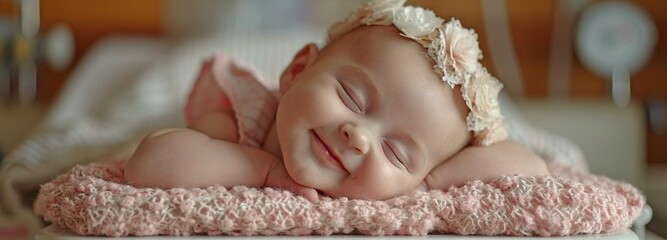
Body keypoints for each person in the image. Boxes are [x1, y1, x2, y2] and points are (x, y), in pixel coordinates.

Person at [124, 0, 549, 202]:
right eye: (351, 97)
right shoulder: (238, 126)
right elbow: (150, 163)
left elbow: (532, 167)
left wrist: (426, 182)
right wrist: (265, 169)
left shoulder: (409, 184)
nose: (360, 138)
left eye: (397, 153)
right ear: (296, 72)